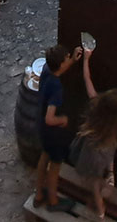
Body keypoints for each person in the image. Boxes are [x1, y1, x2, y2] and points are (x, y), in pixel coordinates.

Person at [72, 47, 117, 220]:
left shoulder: (96, 103)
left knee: (95, 178)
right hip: (106, 150)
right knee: (98, 180)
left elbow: (87, 78)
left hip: (93, 149)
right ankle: (100, 208)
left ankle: (103, 191)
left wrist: (86, 59)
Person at [33, 44, 81, 214]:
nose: (69, 58)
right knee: (54, 166)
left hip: (42, 130)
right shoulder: (57, 89)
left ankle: (38, 194)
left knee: (43, 157)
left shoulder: (47, 70)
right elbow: (50, 118)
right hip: (53, 135)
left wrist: (73, 60)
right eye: (67, 57)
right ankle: (53, 202)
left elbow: (59, 67)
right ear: (61, 64)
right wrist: (63, 119)